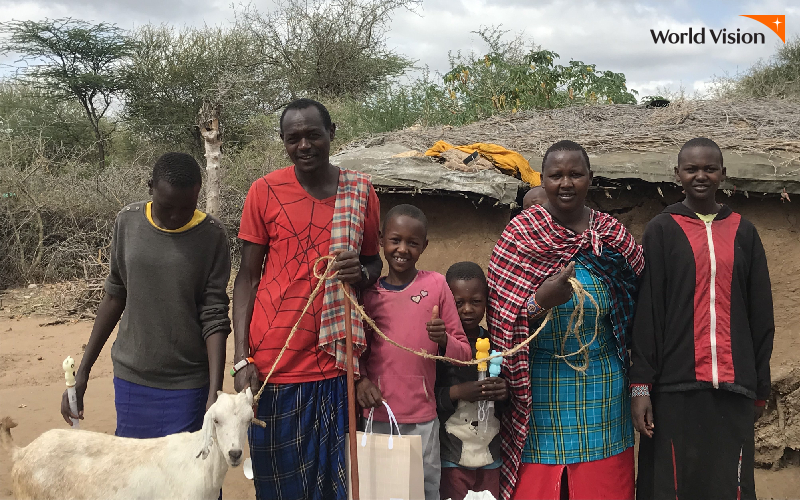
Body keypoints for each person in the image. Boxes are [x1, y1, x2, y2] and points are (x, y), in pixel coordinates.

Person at [233, 98, 383, 500]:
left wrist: (361, 271)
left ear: (331, 134)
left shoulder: (360, 191)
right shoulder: (263, 191)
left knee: (334, 482)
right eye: (293, 138)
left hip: (336, 360)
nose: (304, 145)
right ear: (282, 142)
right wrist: (242, 356)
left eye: (313, 135)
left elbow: (373, 265)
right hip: (275, 358)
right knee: (278, 482)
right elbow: (246, 278)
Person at [487, 140, 645, 500]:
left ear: (591, 178)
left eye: (576, 174)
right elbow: (500, 316)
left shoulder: (613, 237)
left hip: (604, 390)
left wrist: (641, 386)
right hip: (538, 390)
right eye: (556, 175)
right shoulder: (519, 237)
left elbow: (639, 311)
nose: (566, 183)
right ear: (542, 181)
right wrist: (541, 302)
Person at [630, 137, 774, 500]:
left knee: (729, 484)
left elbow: (761, 316)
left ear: (723, 174)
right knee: (672, 485)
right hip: (675, 387)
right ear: (677, 174)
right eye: (691, 169)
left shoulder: (744, 231)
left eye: (709, 169)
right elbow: (647, 314)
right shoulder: (661, 230)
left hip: (734, 386)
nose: (701, 176)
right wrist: (642, 386)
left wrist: (759, 387)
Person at [61, 152, 231, 440]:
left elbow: (214, 314)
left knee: (189, 477)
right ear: (150, 186)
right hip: (133, 376)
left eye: (187, 207)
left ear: (198, 195)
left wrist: (215, 392)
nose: (176, 216)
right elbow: (115, 295)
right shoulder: (128, 222)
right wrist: (83, 374)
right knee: (133, 474)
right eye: (167, 207)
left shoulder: (212, 236)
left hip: (188, 382)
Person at [356, 204, 472, 500]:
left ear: (424, 246)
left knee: (423, 490)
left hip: (422, 419)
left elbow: (464, 354)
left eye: (412, 243)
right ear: (381, 240)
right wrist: (362, 381)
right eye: (395, 240)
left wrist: (443, 339)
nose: (402, 249)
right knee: (378, 491)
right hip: (378, 415)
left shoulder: (435, 285)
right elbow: (358, 353)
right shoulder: (369, 295)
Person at [436, 261, 509, 500]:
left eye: (476, 301)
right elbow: (428, 396)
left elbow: (513, 399)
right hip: (451, 457)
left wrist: (503, 391)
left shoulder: (495, 345)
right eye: (459, 303)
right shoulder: (438, 348)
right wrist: (457, 392)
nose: (468, 309)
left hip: (490, 455)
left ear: (487, 302)